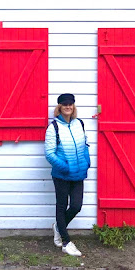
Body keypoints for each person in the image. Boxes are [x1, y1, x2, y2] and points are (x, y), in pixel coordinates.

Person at [44, 93, 90, 257]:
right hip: (62, 175)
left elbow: (85, 146)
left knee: (76, 205)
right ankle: (66, 242)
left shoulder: (80, 124)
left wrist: (86, 162)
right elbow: (49, 153)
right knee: (61, 206)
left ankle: (58, 227)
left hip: (78, 174)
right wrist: (65, 167)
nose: (68, 107)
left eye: (70, 104)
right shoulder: (54, 127)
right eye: (64, 105)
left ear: (73, 106)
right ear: (59, 108)